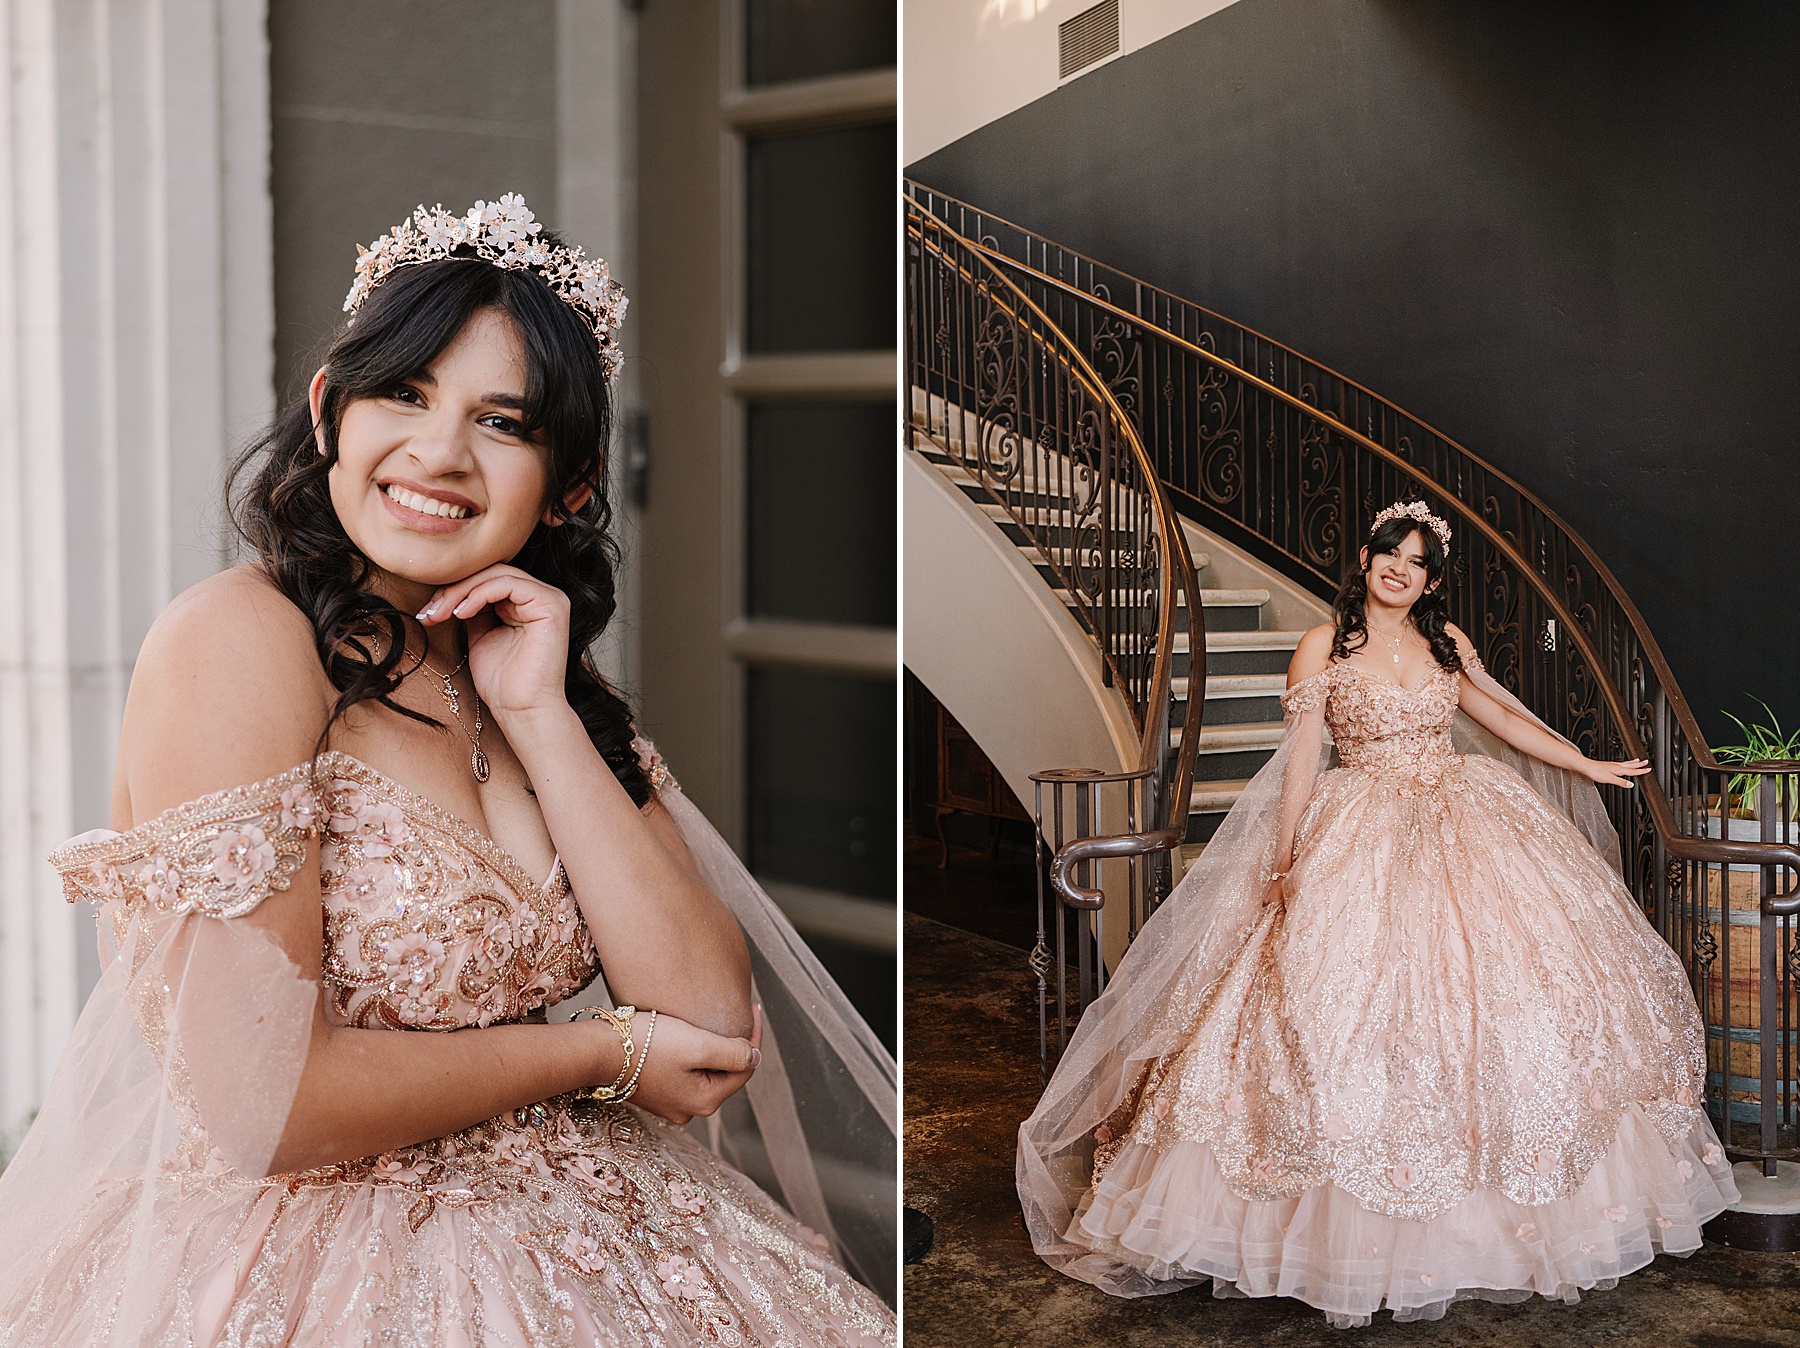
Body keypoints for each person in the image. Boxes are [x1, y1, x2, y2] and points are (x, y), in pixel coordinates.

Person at [0, 195, 895, 1347]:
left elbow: (713, 1022)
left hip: (608, 1241)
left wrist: (541, 710)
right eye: (405, 392)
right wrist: (600, 1053)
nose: (438, 453)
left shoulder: (535, 669)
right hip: (319, 1262)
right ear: (331, 409)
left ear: (569, 483)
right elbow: (262, 1108)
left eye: (503, 422)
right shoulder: (241, 641)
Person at [1017, 501, 1738, 1328]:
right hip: (1359, 822)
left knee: (1515, 997)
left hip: (1468, 814)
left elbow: (1497, 717)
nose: (1401, 568)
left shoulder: (1445, 642)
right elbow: (1300, 761)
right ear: (1366, 558)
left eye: (1418, 561)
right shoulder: (1324, 645)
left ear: (1431, 579)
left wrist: (1584, 761)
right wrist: (1285, 860)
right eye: (1390, 553)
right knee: (1335, 1007)